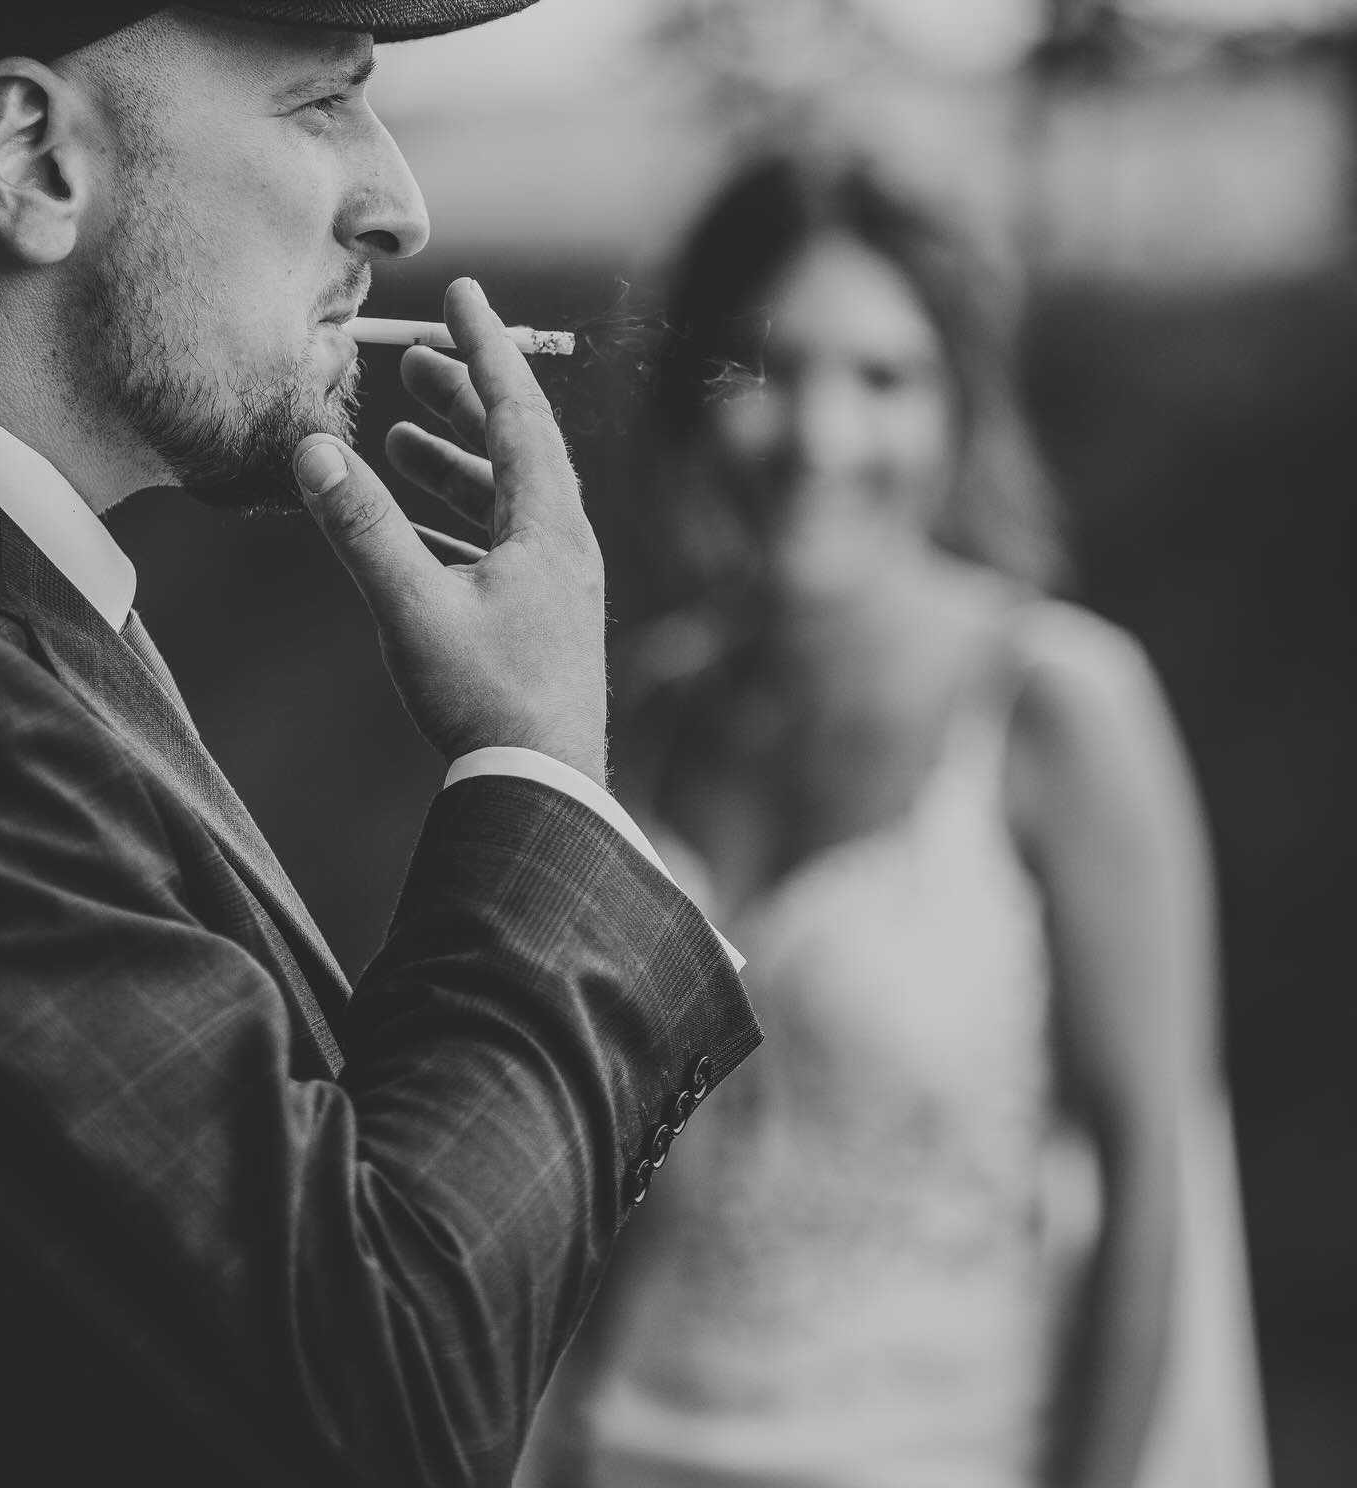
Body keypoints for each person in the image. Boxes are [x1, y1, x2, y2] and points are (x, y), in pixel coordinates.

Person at [0, 0, 760, 1487]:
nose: (400, 202)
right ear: (35, 163)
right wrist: (540, 769)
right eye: (320, 100)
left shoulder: (19, 612)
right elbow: (376, 1393)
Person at [525, 156, 1268, 1488]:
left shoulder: (1055, 709)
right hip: (626, 1448)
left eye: (884, 378)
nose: (821, 436)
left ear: (960, 408)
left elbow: (1154, 1182)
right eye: (772, 370)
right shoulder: (656, 708)